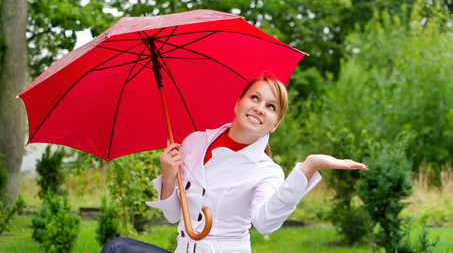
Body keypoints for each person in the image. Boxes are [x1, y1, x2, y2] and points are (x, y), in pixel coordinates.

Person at [101, 76, 368, 253]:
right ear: (237, 103)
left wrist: (309, 167)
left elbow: (264, 223)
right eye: (254, 98)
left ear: (275, 124)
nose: (260, 108)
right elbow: (173, 216)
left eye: (271, 106)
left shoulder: (266, 170)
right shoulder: (194, 142)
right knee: (118, 249)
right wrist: (168, 176)